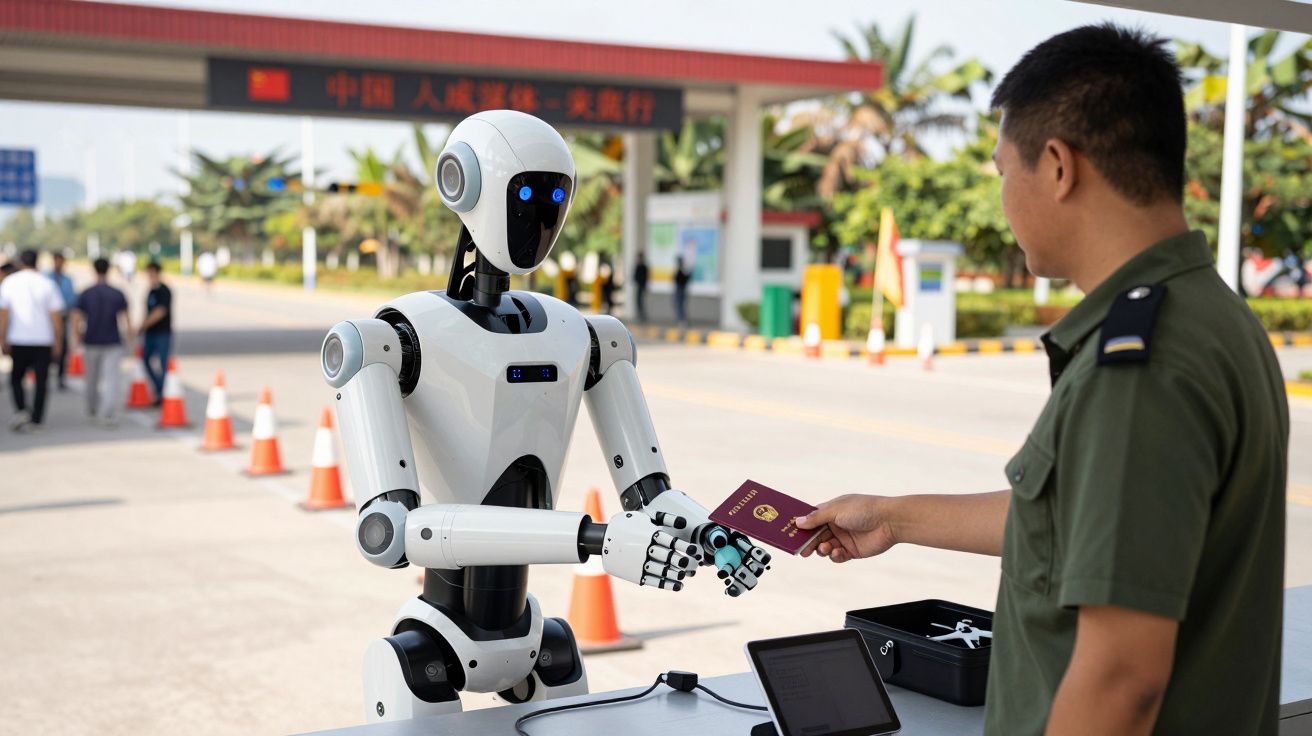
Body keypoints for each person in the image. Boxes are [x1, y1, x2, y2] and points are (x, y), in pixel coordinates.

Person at [796, 25, 1287, 735]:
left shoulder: (1141, 367)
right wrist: (894, 517)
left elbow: (1122, 679)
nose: (1003, 198)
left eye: (1003, 173)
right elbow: (1083, 523)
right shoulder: (1213, 316)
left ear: (1058, 166)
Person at [0, 249, 65, 431]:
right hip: (43, 339)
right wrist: (58, 340)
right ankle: (36, 417)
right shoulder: (47, 283)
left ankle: (21, 410)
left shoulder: (9, 283)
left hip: (18, 338)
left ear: (20, 262)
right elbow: (56, 317)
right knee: (41, 381)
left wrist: (2, 338)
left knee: (16, 378)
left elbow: (4, 315)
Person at [73, 257, 132, 426]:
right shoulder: (117, 293)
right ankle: (108, 414)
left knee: (91, 378)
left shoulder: (86, 293)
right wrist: (130, 341)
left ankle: (92, 408)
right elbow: (126, 319)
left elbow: (77, 318)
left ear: (94, 270)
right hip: (112, 341)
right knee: (112, 379)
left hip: (91, 341)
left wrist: (76, 338)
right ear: (108, 270)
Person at [139, 261, 173, 405]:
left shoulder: (164, 290)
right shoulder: (151, 291)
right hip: (150, 333)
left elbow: (160, 312)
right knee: (145, 359)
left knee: (163, 363)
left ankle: (164, 392)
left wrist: (143, 325)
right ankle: (159, 388)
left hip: (162, 332)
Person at [47, 251, 77, 390]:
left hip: (62, 316)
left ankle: (60, 377)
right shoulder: (46, 278)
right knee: (47, 346)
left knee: (63, 347)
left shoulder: (68, 280)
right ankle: (45, 375)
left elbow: (72, 300)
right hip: (47, 318)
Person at [672, 256, 691, 327]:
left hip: (681, 290)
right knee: (678, 305)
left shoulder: (682, 271)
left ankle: (682, 321)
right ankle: (681, 320)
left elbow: (684, 280)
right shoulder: (680, 271)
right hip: (679, 290)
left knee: (680, 306)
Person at [632, 252, 649, 323]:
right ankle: (640, 316)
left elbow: (645, 277)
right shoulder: (638, 266)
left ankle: (642, 317)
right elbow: (635, 277)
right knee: (638, 302)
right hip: (639, 286)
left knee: (640, 302)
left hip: (642, 286)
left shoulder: (643, 267)